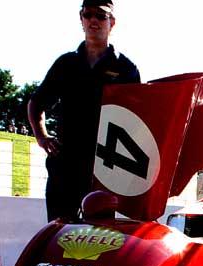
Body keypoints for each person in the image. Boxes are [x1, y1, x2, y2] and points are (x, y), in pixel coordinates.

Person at [28, 0, 141, 221]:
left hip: (104, 169)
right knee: (60, 233)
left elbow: (137, 118)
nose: (93, 20)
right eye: (87, 15)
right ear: (81, 20)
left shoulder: (126, 69)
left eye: (100, 15)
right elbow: (36, 103)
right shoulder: (65, 64)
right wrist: (41, 137)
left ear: (112, 22)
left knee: (100, 239)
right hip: (65, 164)